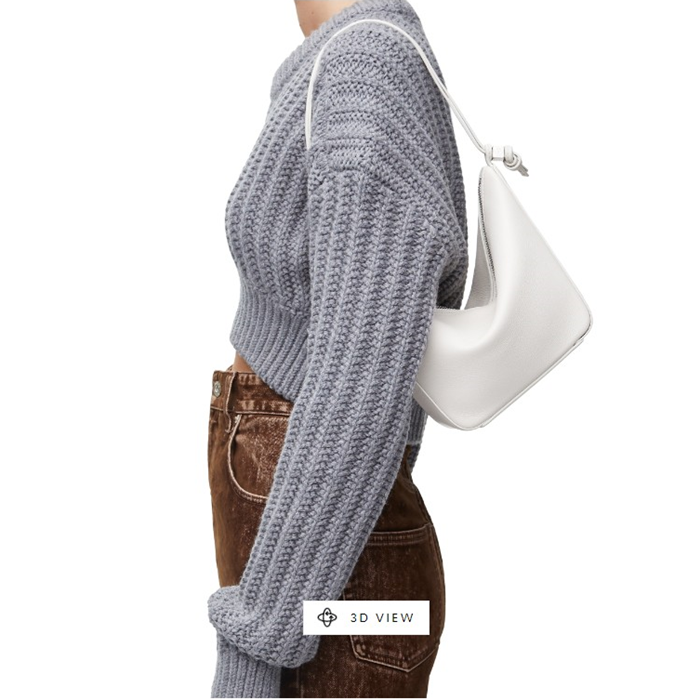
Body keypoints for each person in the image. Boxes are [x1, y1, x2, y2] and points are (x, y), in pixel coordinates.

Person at [206, 0, 469, 696]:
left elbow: (361, 385)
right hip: (330, 569)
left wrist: (253, 647)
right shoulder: (342, 58)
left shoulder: (366, 70)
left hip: (338, 592)